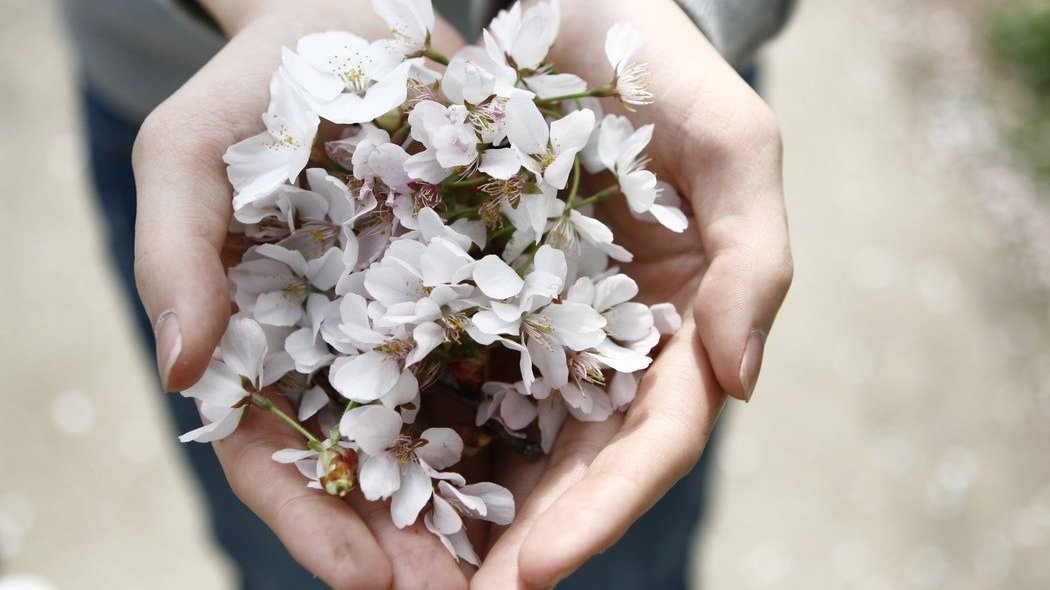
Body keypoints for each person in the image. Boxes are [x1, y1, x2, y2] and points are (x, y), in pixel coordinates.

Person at [61, 0, 794, 588]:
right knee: (295, 556)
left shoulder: (553, 193)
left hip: (639, 80)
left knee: (618, 557)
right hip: (191, 81)